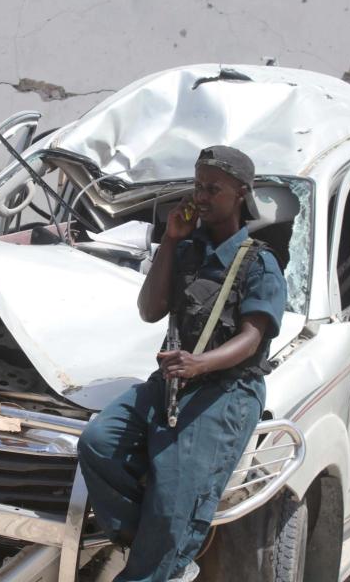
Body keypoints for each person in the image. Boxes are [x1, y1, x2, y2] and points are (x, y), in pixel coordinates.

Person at [77, 145, 288, 582]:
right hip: (175, 382)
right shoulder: (187, 248)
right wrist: (171, 240)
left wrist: (200, 364)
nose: (202, 196)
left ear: (241, 194)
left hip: (225, 392)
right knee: (99, 443)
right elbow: (149, 310)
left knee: (174, 502)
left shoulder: (258, 262)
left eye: (213, 188)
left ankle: (157, 558)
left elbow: (252, 339)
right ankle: (160, 551)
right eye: (197, 185)